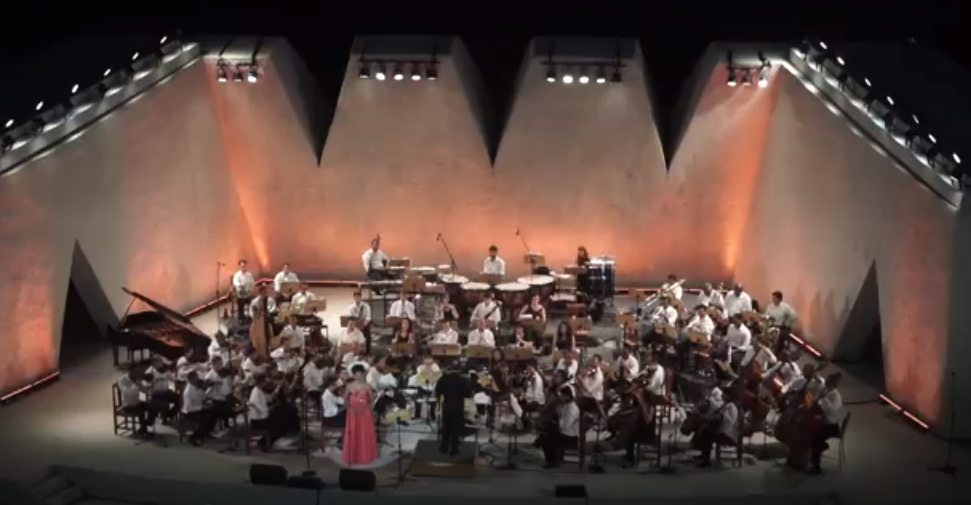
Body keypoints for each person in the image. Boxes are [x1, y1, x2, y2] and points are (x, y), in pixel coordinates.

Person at [692, 388, 739, 468]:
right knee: (703, 429)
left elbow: (724, 419)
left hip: (726, 434)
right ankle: (703, 455)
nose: (722, 395)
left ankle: (706, 460)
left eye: (724, 394)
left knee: (707, 434)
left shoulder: (731, 407)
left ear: (729, 396)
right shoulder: (725, 405)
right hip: (721, 430)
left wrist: (714, 418)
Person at [808, 372, 844, 475]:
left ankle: (816, 466)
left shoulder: (836, 396)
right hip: (824, 422)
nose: (826, 384)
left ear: (833, 384)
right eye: (826, 382)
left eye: (828, 382)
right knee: (811, 430)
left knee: (816, 436)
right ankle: (812, 452)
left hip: (832, 426)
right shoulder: (827, 391)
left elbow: (831, 412)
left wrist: (823, 399)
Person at [343, 364, 379, 466]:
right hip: (352, 413)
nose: (359, 377)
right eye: (357, 375)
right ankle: (352, 456)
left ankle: (365, 455)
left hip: (364, 413)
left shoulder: (367, 386)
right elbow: (345, 399)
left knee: (364, 433)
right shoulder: (349, 386)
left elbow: (371, 400)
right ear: (353, 375)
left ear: (363, 374)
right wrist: (348, 406)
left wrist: (368, 409)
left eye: (361, 374)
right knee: (353, 433)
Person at [435, 364, 474, 456]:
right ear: (459, 371)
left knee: (446, 426)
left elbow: (438, 392)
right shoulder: (463, 380)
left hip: (446, 404)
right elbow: (468, 394)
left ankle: (443, 447)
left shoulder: (442, 379)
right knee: (456, 427)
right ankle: (454, 449)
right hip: (458, 405)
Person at [541, 386, 580, 469]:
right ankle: (551, 459)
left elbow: (564, 427)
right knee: (545, 433)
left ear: (567, 396)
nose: (560, 398)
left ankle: (553, 462)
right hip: (564, 433)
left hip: (570, 436)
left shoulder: (572, 409)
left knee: (548, 439)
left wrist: (559, 415)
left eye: (561, 396)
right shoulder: (566, 405)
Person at [117, 366, 154, 438]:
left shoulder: (137, 379)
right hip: (128, 405)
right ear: (130, 371)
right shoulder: (122, 380)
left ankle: (145, 425)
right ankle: (143, 430)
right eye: (136, 372)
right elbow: (129, 393)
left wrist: (150, 392)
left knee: (152, 406)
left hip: (137, 403)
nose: (138, 374)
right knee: (141, 411)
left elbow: (143, 389)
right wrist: (135, 384)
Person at [181, 371, 216, 446]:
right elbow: (188, 408)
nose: (197, 379)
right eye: (195, 378)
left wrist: (209, 390)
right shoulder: (188, 391)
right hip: (189, 412)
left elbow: (203, 397)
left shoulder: (199, 386)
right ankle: (194, 437)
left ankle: (205, 433)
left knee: (213, 414)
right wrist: (202, 407)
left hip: (198, 409)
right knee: (204, 419)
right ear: (190, 380)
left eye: (197, 377)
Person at [765, 291, 799, 355]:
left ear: (780, 299)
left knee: (779, 336)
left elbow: (794, 316)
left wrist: (787, 323)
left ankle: (776, 353)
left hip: (781, 327)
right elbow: (766, 315)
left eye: (775, 299)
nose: (773, 300)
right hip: (771, 325)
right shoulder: (770, 306)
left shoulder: (786, 307)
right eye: (773, 298)